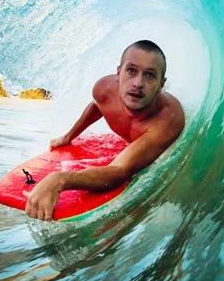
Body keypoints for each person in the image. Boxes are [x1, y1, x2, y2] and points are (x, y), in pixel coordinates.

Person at [25, 40, 185, 221]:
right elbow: (97, 106)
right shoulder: (104, 89)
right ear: (118, 73)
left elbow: (119, 171)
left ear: (161, 84)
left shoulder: (167, 120)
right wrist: (69, 136)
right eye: (131, 71)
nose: (138, 83)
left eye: (149, 75)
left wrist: (60, 180)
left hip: (151, 147)